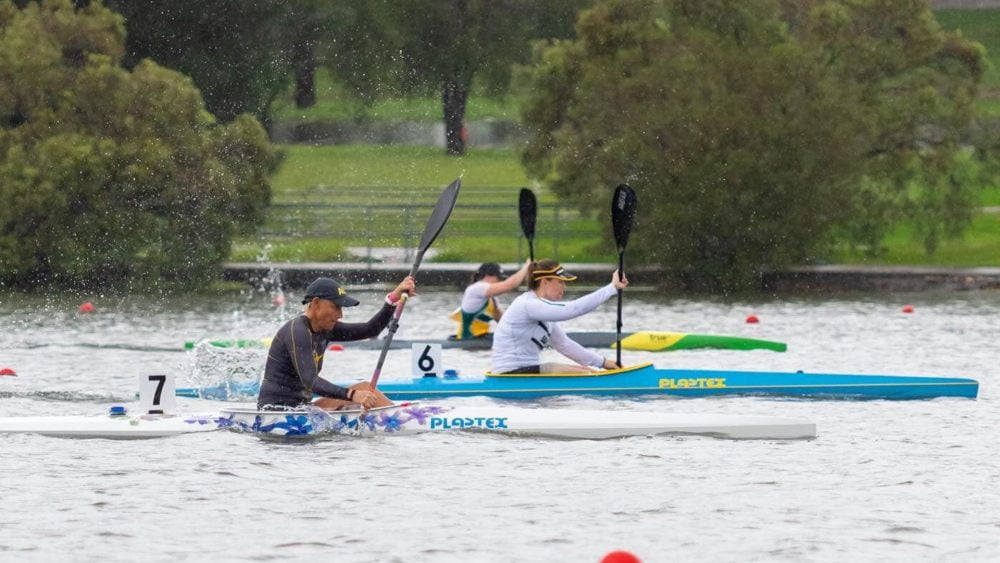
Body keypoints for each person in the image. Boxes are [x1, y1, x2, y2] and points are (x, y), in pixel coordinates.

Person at [256, 275, 415, 411]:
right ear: (316, 303)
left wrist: (393, 299)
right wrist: (352, 395)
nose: (340, 315)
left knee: (366, 389)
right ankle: (406, 419)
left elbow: (370, 330)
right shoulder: (297, 331)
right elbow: (311, 381)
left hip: (301, 408)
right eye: (336, 307)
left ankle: (400, 417)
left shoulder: (325, 328)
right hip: (277, 411)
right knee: (361, 391)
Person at [490, 259, 628, 374]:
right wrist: (612, 288)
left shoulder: (543, 310)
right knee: (584, 373)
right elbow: (574, 309)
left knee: (586, 370)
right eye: (560, 281)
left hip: (526, 371)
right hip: (510, 373)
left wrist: (603, 363)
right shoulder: (529, 304)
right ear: (544, 282)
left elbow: (564, 345)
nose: (564, 286)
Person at [451, 260, 531, 339]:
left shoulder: (493, 299)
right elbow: (510, 285)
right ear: (488, 276)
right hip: (468, 340)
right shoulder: (476, 289)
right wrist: (526, 267)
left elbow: (504, 322)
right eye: (499, 278)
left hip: (482, 338)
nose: (500, 281)